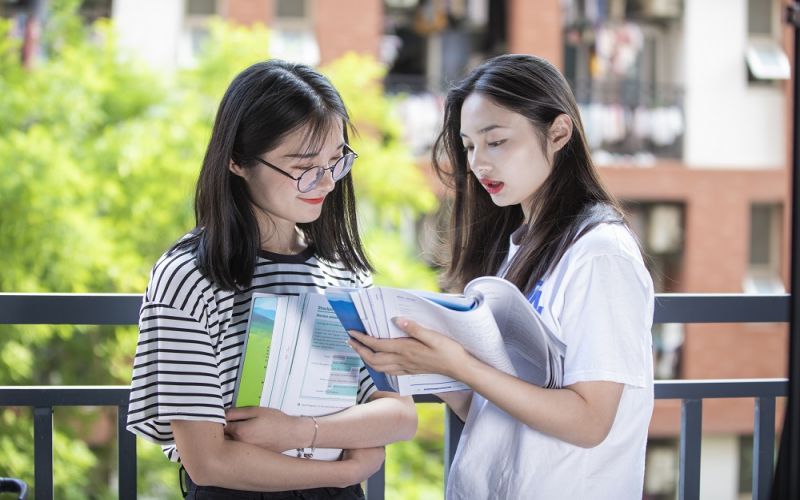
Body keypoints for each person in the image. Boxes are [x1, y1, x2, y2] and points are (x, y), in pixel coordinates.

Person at [348, 54, 654, 500]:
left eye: (496, 142)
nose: (478, 164)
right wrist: (430, 365)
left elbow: (590, 422)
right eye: (469, 146)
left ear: (559, 132)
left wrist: (459, 364)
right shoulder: (519, 247)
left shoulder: (600, 254)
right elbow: (495, 411)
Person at [126, 59, 417, 499]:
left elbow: (398, 415)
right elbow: (208, 461)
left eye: (336, 162)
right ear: (238, 161)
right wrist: (342, 470)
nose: (324, 182)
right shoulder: (188, 277)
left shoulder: (343, 273)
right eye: (302, 166)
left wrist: (299, 431)